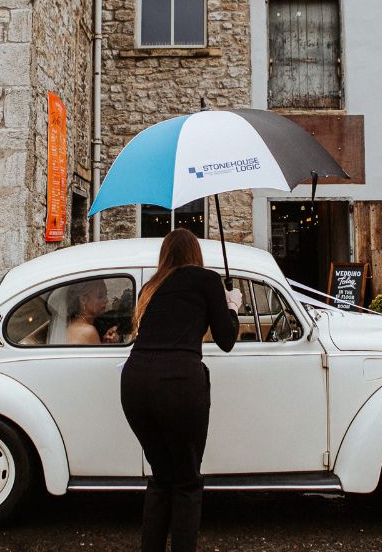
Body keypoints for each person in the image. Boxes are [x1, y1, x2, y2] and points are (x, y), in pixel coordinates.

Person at [120, 228, 243, 552]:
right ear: (195, 254)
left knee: (162, 477)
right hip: (178, 383)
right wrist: (232, 306)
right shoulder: (207, 280)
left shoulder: (150, 287)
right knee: (187, 481)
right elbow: (226, 340)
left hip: (135, 382)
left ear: (165, 255)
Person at [64, 280, 120, 344]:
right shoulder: (88, 331)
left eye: (106, 294)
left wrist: (105, 342)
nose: (106, 300)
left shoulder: (73, 322)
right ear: (83, 300)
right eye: (100, 296)